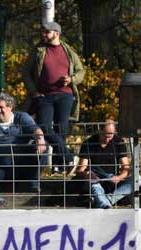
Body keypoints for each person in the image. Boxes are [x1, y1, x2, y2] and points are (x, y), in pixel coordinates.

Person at [22, 20, 85, 172]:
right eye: (43, 31)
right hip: (44, 96)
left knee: (61, 129)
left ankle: (59, 165)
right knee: (43, 126)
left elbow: (81, 72)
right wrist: (33, 91)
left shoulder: (69, 51)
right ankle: (68, 155)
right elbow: (26, 72)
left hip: (65, 95)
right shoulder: (38, 50)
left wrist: (71, 79)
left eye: (47, 32)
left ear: (56, 33)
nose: (43, 34)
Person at [74, 120, 133, 209]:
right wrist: (87, 174)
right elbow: (80, 170)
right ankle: (105, 205)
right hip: (95, 179)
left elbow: (126, 168)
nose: (107, 139)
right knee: (94, 184)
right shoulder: (88, 143)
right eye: (104, 136)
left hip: (112, 179)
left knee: (138, 179)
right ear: (100, 130)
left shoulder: (119, 142)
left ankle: (108, 199)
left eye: (110, 136)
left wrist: (119, 177)